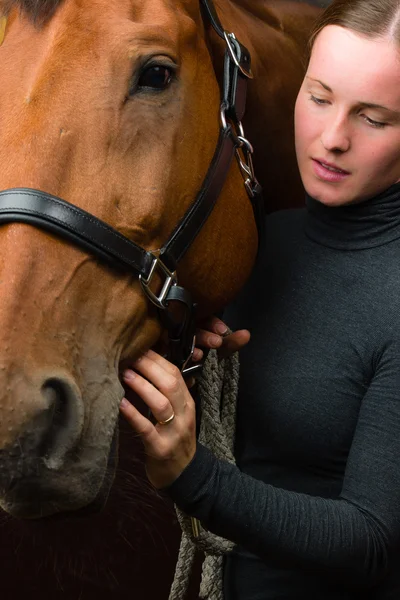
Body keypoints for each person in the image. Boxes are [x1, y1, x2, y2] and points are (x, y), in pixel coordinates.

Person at [119, 0, 400, 597]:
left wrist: (195, 477)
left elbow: (373, 541)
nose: (331, 138)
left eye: (373, 119)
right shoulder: (265, 241)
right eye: (319, 97)